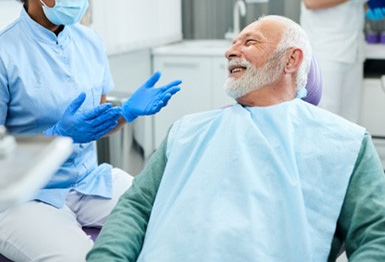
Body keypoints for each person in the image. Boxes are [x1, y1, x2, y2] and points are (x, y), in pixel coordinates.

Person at [86, 15, 385, 262]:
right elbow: (136, 207)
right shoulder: (188, 131)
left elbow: (375, 235)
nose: (230, 51)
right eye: (232, 43)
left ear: (291, 60)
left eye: (250, 42)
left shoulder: (345, 142)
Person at [0, 0, 181, 261]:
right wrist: (55, 137)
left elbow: (94, 122)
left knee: (174, 211)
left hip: (87, 181)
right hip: (24, 195)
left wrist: (125, 113)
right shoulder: (5, 52)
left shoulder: (89, 42)